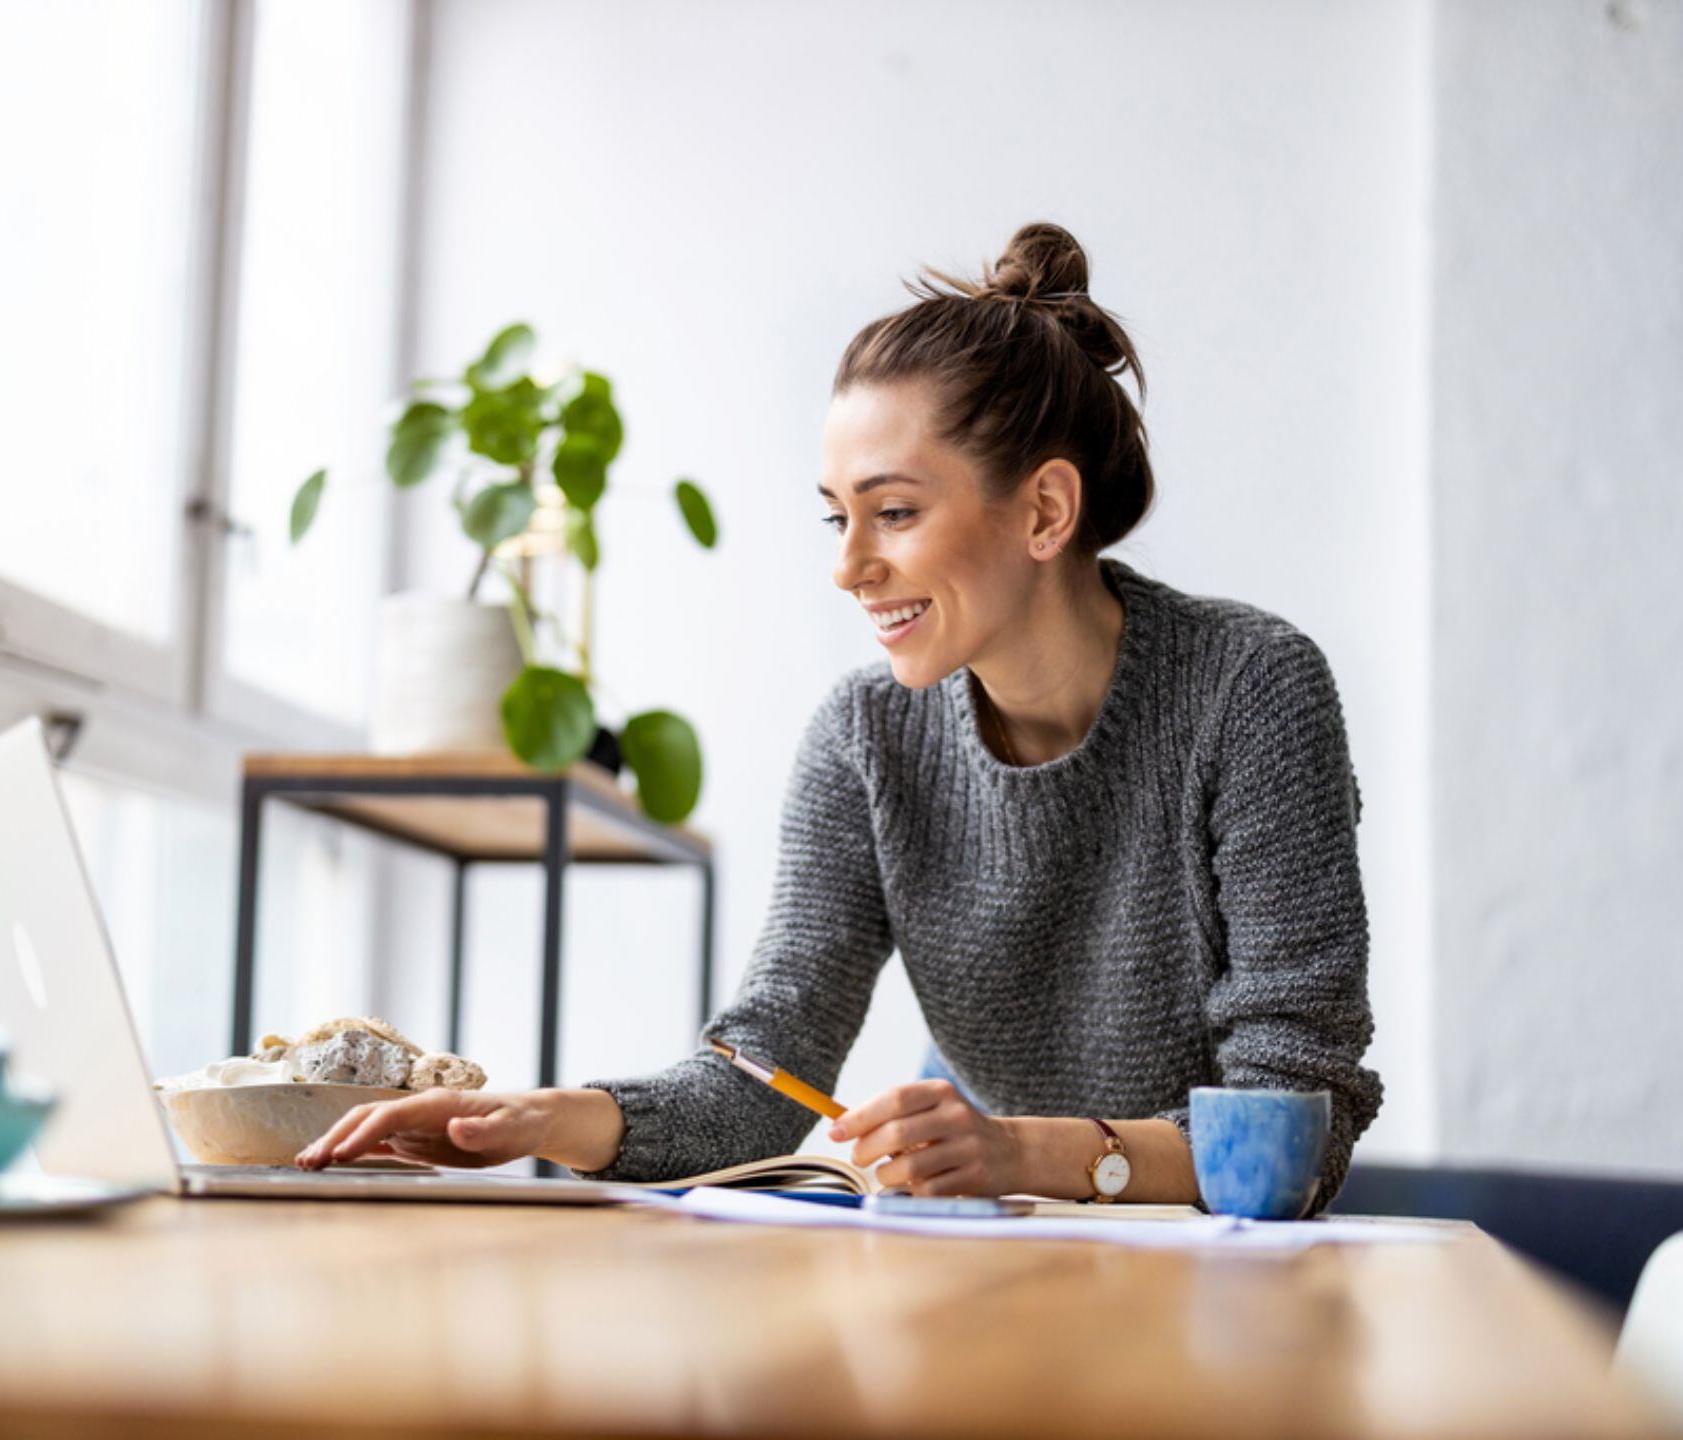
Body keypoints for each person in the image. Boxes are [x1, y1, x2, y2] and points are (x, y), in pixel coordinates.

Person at [297, 221, 1385, 1213]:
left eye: (895, 513)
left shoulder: (1252, 690)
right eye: (837, 519)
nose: (850, 568)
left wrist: (1016, 1153)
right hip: (998, 1259)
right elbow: (766, 1077)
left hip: (1231, 1290)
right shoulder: (867, 737)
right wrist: (544, 1122)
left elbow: (1296, 1128)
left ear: (1046, 510)